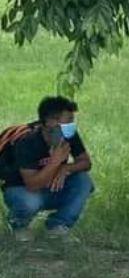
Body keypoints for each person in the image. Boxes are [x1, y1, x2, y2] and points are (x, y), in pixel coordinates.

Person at [2, 96, 94, 241]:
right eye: (68, 120)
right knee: (30, 202)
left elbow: (86, 163)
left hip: (49, 186)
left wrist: (65, 168)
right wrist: (55, 162)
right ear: (51, 122)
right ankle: (19, 225)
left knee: (83, 181)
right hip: (21, 189)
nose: (71, 125)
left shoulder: (68, 135)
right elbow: (32, 184)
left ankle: (58, 225)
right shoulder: (27, 142)